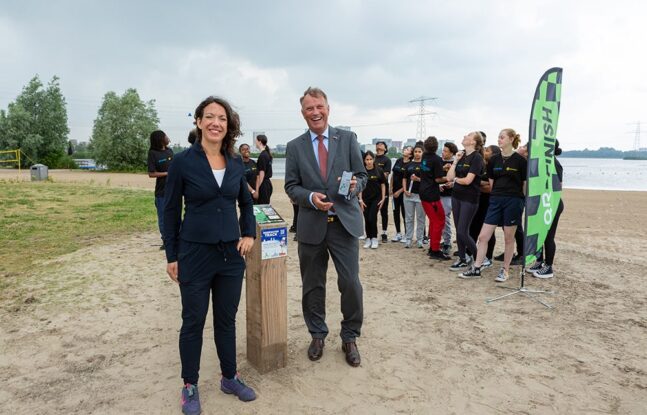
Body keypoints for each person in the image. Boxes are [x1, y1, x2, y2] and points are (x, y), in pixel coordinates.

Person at [163, 96, 257, 414]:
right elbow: (170, 209)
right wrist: (172, 255)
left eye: (222, 118)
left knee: (226, 320)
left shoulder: (235, 162)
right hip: (194, 253)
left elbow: (245, 202)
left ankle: (229, 377)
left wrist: (248, 233)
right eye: (209, 116)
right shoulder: (183, 162)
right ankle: (190, 385)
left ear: (228, 126)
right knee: (193, 320)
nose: (216, 122)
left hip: (230, 255)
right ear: (199, 122)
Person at [284, 87, 367, 368]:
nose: (315, 112)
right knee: (312, 285)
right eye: (309, 108)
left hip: (343, 224)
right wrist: (309, 197)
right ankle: (317, 334)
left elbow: (362, 175)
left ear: (328, 108)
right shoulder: (294, 147)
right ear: (303, 113)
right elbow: (291, 186)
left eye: (319, 106)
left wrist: (357, 186)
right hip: (311, 225)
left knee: (351, 283)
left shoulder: (347, 138)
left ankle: (350, 336)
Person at [459, 128, 527, 282]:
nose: (499, 139)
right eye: (498, 137)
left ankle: (505, 270)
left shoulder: (521, 161)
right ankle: (476, 268)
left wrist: (519, 200)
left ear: (511, 139)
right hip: (495, 200)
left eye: (502, 137)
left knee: (509, 238)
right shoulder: (494, 160)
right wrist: (497, 194)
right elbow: (491, 183)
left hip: (513, 201)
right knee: (483, 237)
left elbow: (524, 185)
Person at [446, 132, 485, 271]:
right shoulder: (461, 156)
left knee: (463, 231)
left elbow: (468, 180)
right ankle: (462, 259)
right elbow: (449, 177)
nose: (464, 136)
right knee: (459, 230)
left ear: (473, 142)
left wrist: (456, 180)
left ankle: (480, 259)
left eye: (468, 135)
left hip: (469, 198)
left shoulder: (477, 158)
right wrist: (455, 161)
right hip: (456, 196)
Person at [528, 139, 565, 279]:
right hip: (541, 203)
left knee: (548, 236)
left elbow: (558, 187)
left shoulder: (554, 163)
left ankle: (549, 267)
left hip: (552, 204)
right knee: (539, 234)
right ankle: (539, 261)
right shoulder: (541, 162)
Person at [467, 144, 500, 268]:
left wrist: (478, 185)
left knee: (488, 231)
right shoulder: (481, 164)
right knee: (473, 228)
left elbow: (492, 188)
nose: (484, 151)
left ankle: (488, 257)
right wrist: (480, 184)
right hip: (477, 201)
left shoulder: (494, 167)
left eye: (487, 150)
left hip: (489, 203)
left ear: (493, 154)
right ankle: (470, 253)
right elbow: (476, 182)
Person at [419, 136, 450, 260]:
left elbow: (429, 171)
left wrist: (441, 168)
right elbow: (437, 179)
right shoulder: (437, 159)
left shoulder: (424, 157)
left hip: (424, 192)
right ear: (437, 147)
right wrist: (449, 178)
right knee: (439, 220)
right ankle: (435, 250)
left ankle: (433, 247)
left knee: (434, 220)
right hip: (432, 195)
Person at [147, 130, 174, 250]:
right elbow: (151, 174)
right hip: (162, 192)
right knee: (163, 217)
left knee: (175, 216)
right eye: (165, 136)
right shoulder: (153, 153)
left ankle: (176, 239)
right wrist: (166, 173)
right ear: (160, 139)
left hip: (174, 190)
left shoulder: (170, 151)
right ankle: (166, 240)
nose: (168, 137)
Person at [359, 150, 386, 249]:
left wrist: (383, 198)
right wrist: (360, 200)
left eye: (371, 159)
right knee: (366, 219)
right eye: (367, 159)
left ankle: (374, 238)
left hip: (376, 199)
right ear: (364, 160)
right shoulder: (362, 172)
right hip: (365, 199)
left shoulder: (379, 170)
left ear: (374, 160)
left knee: (372, 218)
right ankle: (368, 238)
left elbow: (383, 185)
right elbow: (360, 186)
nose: (369, 161)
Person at [402, 144, 425, 248]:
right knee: (409, 218)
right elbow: (404, 179)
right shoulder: (409, 165)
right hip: (409, 195)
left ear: (422, 153)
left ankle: (420, 239)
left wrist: (418, 179)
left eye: (419, 151)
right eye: (415, 151)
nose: (417, 153)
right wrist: (405, 190)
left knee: (420, 218)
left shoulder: (425, 165)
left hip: (421, 195)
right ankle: (408, 239)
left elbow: (428, 180)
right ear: (413, 153)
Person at [390, 145, 412, 242]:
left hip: (404, 192)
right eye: (405, 148)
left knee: (404, 213)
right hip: (394, 192)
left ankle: (407, 234)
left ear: (410, 154)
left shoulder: (411, 164)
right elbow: (393, 175)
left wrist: (399, 191)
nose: (405, 150)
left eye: (407, 149)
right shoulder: (398, 161)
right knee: (395, 212)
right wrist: (390, 188)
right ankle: (398, 233)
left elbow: (408, 181)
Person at [439, 142, 457, 255]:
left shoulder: (457, 162)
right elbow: (434, 177)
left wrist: (453, 183)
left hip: (456, 195)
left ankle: (462, 244)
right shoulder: (439, 162)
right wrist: (438, 186)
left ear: (452, 153)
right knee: (444, 219)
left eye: (446, 151)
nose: (443, 152)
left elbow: (462, 177)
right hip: (443, 195)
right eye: (443, 150)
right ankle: (446, 242)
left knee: (459, 221)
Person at [374, 141, 392, 242]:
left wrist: (374, 177)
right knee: (372, 212)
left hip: (382, 188)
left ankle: (384, 233)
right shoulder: (372, 158)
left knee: (384, 211)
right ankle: (372, 233)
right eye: (378, 144)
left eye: (382, 144)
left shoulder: (387, 160)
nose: (379, 145)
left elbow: (385, 175)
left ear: (385, 148)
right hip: (371, 188)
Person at [254, 134, 273, 204]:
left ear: (260, 142)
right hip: (267, 184)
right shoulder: (266, 154)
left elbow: (261, 173)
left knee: (262, 207)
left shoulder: (262, 155)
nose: (255, 142)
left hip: (264, 185)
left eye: (256, 140)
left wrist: (257, 189)